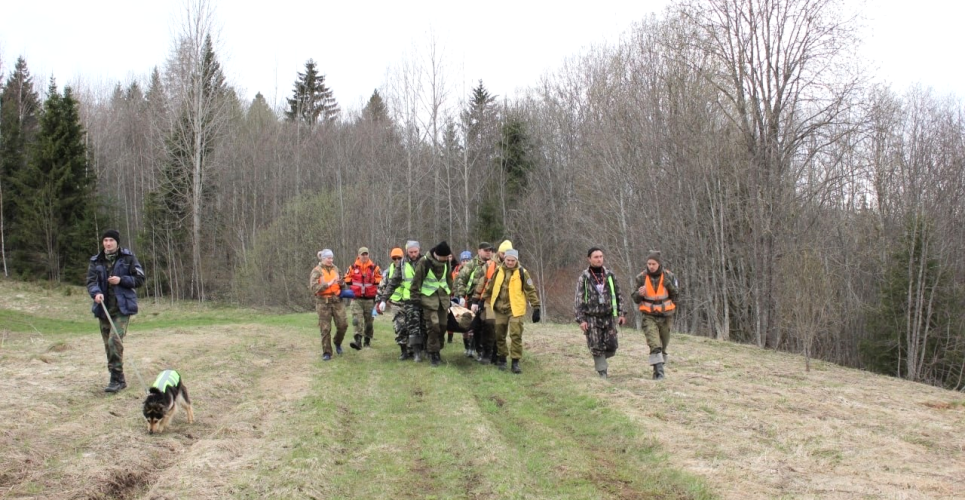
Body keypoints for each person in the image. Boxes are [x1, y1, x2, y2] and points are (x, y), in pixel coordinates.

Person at [87, 229, 146, 393]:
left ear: (117, 242)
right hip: (103, 308)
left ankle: (116, 378)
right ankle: (118, 378)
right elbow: (91, 282)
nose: (108, 243)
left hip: (122, 308)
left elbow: (140, 279)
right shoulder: (96, 261)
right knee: (108, 345)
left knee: (114, 341)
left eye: (111, 240)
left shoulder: (128, 258)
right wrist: (96, 293)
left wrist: (121, 280)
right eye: (105, 240)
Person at [480, 248, 541, 374]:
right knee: (499, 335)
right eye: (508, 260)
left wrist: (536, 307)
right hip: (499, 308)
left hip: (515, 309)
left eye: (512, 260)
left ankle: (515, 362)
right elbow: (490, 286)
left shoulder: (523, 272)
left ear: (516, 260)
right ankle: (502, 358)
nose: (510, 263)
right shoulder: (498, 271)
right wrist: (482, 299)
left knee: (516, 334)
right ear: (504, 259)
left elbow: (531, 290)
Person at [574, 247, 627, 379]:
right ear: (589, 259)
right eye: (596, 257)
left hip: (608, 316)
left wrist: (621, 313)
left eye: (601, 256)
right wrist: (581, 320)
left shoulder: (609, 275)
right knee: (596, 345)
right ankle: (602, 371)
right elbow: (578, 299)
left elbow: (618, 295)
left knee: (612, 345)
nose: (599, 259)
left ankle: (601, 359)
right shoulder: (584, 278)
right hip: (592, 317)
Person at [631, 250, 679, 380]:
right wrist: (639, 294)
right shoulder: (641, 277)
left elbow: (676, 295)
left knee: (663, 345)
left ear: (659, 264)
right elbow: (635, 298)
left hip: (666, 315)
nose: (651, 266)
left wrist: (669, 286)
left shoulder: (669, 276)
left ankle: (657, 369)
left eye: (653, 263)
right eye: (649, 263)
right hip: (649, 316)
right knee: (654, 344)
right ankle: (660, 374)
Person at [409, 241, 455, 367]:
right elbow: (415, 283)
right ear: (437, 255)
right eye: (444, 258)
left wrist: (451, 294)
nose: (446, 259)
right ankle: (433, 354)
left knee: (443, 326)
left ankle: (437, 349)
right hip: (428, 299)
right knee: (433, 327)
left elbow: (449, 279)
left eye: (447, 257)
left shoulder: (447, 263)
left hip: (443, 300)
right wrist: (415, 300)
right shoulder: (424, 262)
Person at [382, 241, 427, 361]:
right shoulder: (402, 264)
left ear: (419, 250)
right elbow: (392, 282)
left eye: (415, 252)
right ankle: (416, 352)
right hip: (410, 299)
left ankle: (426, 350)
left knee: (425, 325)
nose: (413, 254)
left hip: (425, 297)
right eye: (411, 252)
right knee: (413, 326)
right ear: (407, 251)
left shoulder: (426, 261)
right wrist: (383, 299)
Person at [471, 239, 512, 364]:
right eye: (503, 253)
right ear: (499, 253)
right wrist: (476, 300)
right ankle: (486, 353)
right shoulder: (489, 265)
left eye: (508, 254)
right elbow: (481, 283)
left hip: (504, 301)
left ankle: (497, 354)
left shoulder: (514, 266)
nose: (505, 257)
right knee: (489, 323)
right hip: (489, 300)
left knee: (499, 328)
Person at [455, 242, 494, 359]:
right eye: (485, 250)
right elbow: (461, 279)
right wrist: (461, 296)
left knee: (489, 326)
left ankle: (489, 351)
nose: (488, 252)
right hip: (474, 300)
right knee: (476, 326)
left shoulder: (494, 264)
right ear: (479, 251)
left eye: (490, 250)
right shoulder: (472, 264)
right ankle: (479, 350)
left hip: (490, 299)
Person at [310, 249, 350, 361]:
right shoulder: (316, 271)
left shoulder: (336, 269)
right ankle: (327, 352)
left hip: (337, 301)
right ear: (323, 259)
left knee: (343, 325)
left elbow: (343, 285)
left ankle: (337, 342)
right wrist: (328, 284)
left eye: (332, 258)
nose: (331, 260)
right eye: (328, 258)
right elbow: (313, 288)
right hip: (323, 303)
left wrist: (342, 283)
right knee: (325, 329)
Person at [376, 247, 410, 359]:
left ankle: (412, 349)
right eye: (394, 258)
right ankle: (403, 351)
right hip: (395, 303)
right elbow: (382, 286)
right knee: (400, 327)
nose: (397, 260)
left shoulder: (409, 268)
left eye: (399, 258)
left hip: (409, 301)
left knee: (412, 326)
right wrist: (380, 301)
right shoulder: (388, 272)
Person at [345, 247, 382, 350]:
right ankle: (357, 341)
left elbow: (381, 279)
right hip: (356, 299)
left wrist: (373, 279)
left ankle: (367, 341)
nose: (364, 256)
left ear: (368, 255)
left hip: (370, 299)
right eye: (362, 254)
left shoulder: (374, 268)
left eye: (366, 254)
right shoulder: (352, 267)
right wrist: (353, 280)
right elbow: (346, 278)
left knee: (369, 322)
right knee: (357, 320)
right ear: (359, 255)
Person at [447, 250, 473, 347]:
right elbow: (453, 284)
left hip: (470, 300)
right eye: (463, 260)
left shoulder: (474, 270)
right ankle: (466, 345)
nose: (465, 262)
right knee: (462, 323)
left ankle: (471, 345)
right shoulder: (456, 271)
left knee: (471, 324)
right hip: (459, 301)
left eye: (467, 260)